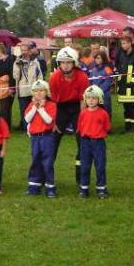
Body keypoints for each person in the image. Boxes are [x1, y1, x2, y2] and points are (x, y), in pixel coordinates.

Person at [49, 46, 89, 185]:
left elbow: (83, 101)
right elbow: (53, 101)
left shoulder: (82, 77)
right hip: (60, 108)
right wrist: (53, 122)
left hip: (77, 107)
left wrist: (81, 122)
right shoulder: (54, 77)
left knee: (81, 141)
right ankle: (47, 178)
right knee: (52, 141)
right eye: (62, 62)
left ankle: (81, 179)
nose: (65, 65)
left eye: (68, 62)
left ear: (74, 63)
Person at [24, 80, 57, 198]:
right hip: (35, 138)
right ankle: (34, 186)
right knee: (35, 160)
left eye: (41, 90)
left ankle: (50, 187)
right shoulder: (31, 105)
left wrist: (41, 109)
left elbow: (49, 120)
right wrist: (34, 107)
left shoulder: (51, 105)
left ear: (46, 92)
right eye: (36, 91)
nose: (38, 93)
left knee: (47, 162)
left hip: (47, 137)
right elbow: (27, 119)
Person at [77, 85, 111, 199]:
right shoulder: (83, 113)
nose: (91, 100)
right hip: (85, 143)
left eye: (94, 98)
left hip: (98, 143)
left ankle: (101, 189)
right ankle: (84, 188)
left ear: (99, 99)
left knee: (100, 166)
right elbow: (80, 126)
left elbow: (107, 127)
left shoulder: (103, 113)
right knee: (85, 166)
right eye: (88, 98)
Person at [13, 42, 44, 131]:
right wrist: (19, 67)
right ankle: (26, 128)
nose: (24, 52)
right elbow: (16, 77)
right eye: (22, 50)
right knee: (24, 111)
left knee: (35, 109)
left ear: (29, 51)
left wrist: (39, 87)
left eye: (25, 50)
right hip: (22, 91)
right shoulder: (17, 62)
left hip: (33, 91)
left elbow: (40, 76)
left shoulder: (35, 62)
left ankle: (35, 127)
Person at [116, 36, 134, 132]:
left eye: (125, 43)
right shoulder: (121, 54)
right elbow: (118, 66)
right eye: (122, 44)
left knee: (132, 107)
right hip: (123, 85)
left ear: (130, 43)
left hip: (132, 86)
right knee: (126, 107)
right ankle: (127, 126)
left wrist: (133, 83)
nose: (123, 45)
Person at [88, 51, 113, 115]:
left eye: (99, 58)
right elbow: (90, 81)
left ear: (103, 59)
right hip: (94, 94)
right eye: (96, 58)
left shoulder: (107, 69)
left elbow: (108, 82)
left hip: (104, 95)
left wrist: (98, 90)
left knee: (105, 112)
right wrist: (91, 90)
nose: (97, 60)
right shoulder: (94, 70)